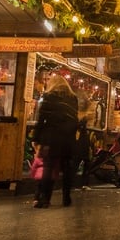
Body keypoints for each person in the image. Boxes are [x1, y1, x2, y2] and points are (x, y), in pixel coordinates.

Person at [32, 75, 79, 208]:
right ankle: (66, 198)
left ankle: (45, 198)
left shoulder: (49, 97)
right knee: (67, 169)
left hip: (51, 138)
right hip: (68, 139)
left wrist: (36, 138)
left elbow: (41, 119)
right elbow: (75, 120)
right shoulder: (72, 98)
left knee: (48, 167)